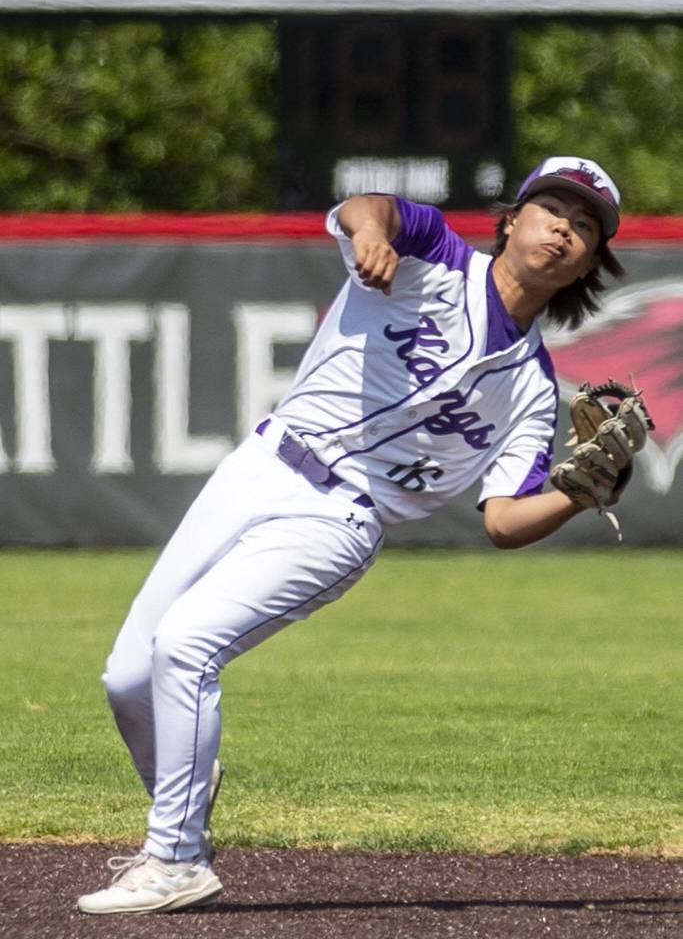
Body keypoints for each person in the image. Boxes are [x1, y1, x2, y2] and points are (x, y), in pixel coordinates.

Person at [77, 155, 624, 914]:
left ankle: (176, 857)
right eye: (551, 210)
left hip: (340, 518)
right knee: (128, 676)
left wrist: (572, 494)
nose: (563, 229)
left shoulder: (531, 392)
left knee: (185, 647)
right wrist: (368, 233)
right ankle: (186, 782)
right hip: (261, 464)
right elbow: (368, 207)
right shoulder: (434, 258)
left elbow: (502, 520)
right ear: (510, 219)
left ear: (592, 260)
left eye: (585, 226)